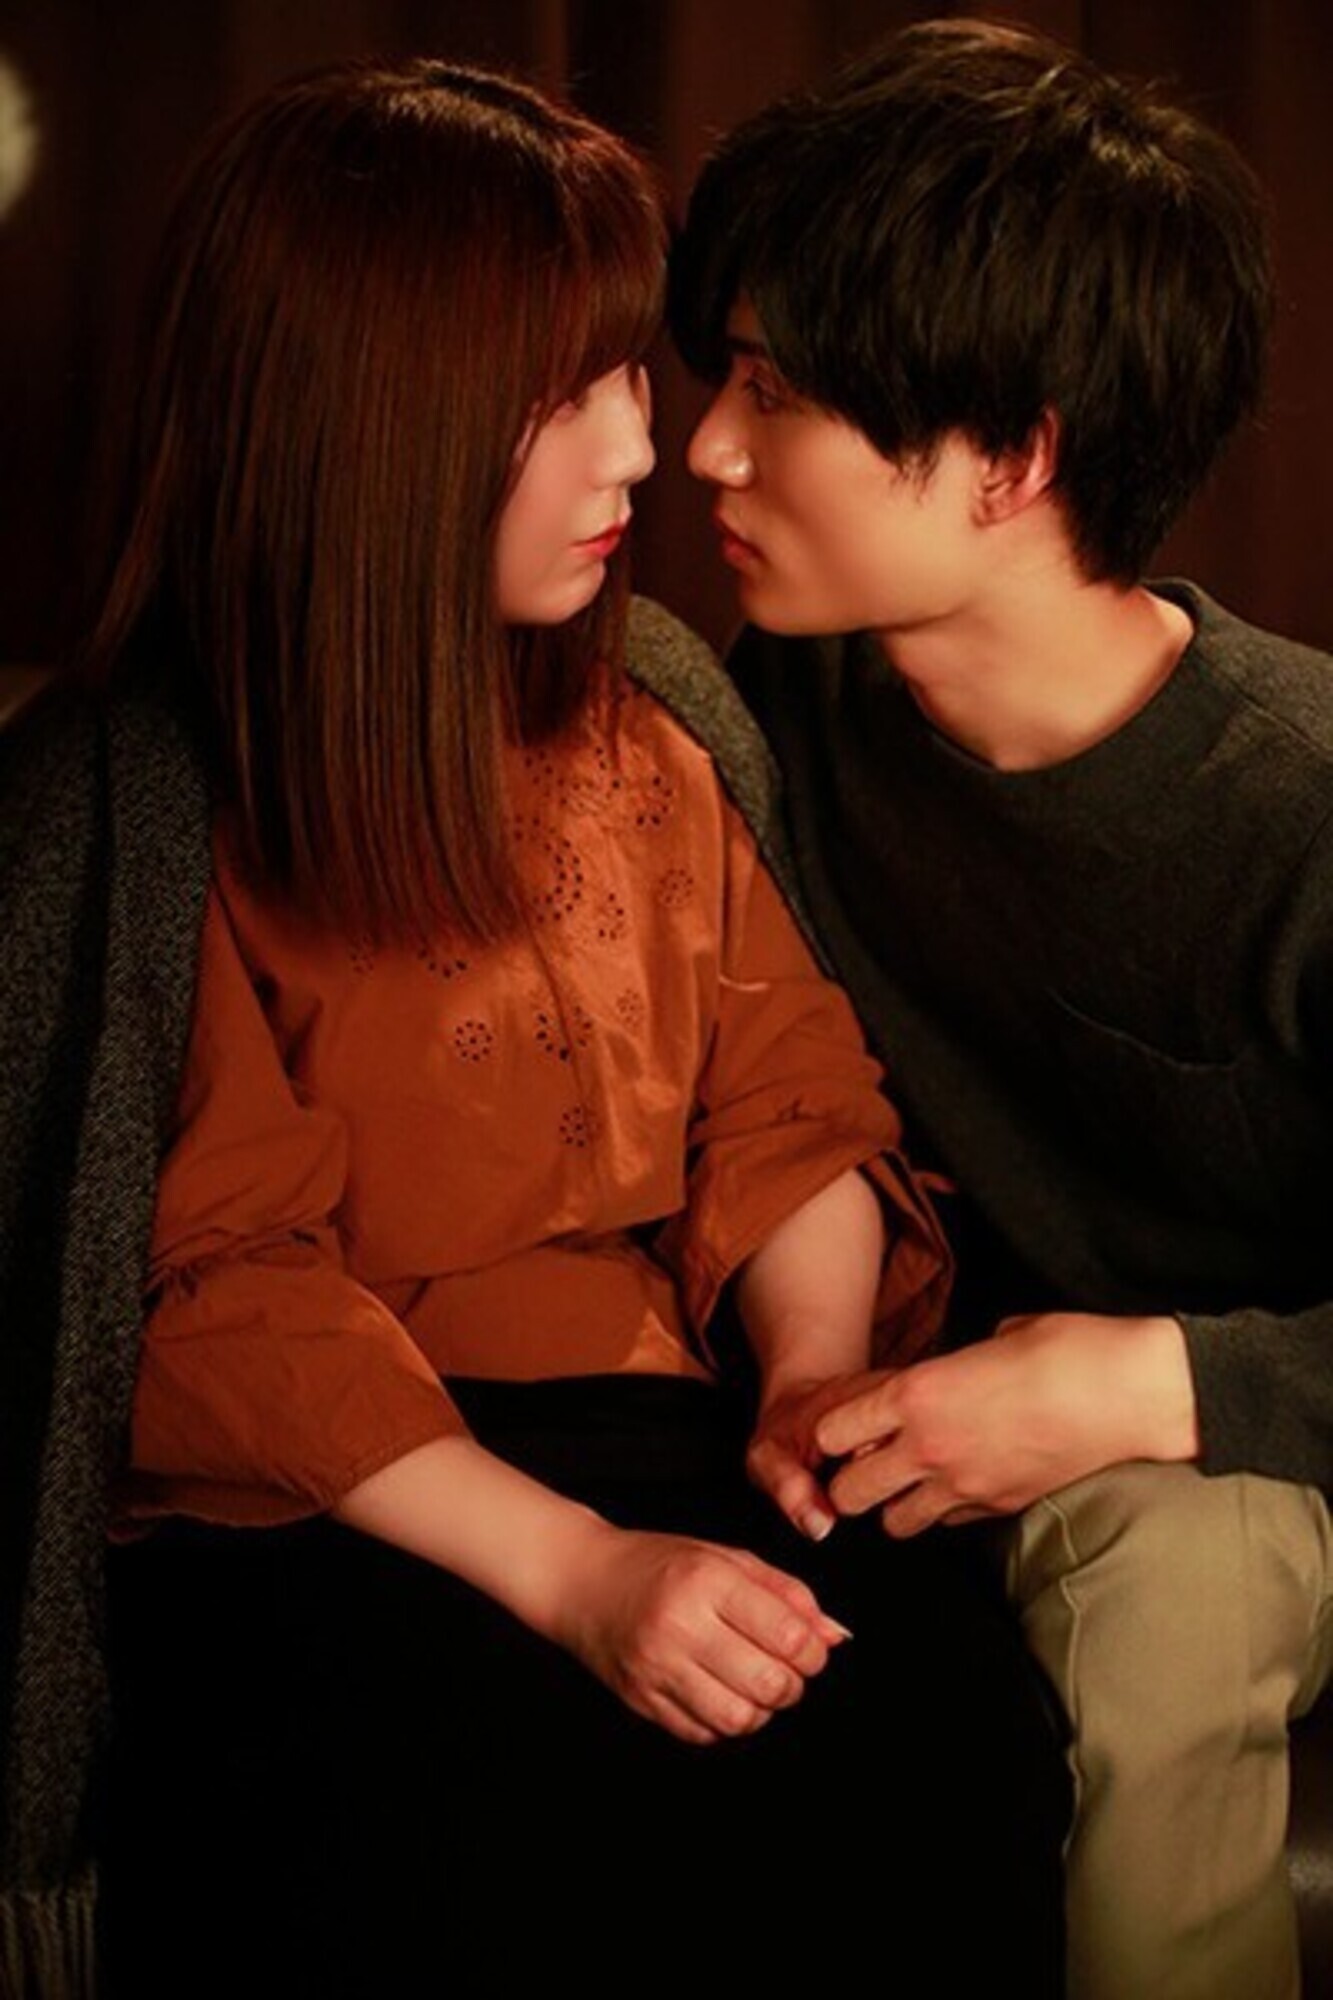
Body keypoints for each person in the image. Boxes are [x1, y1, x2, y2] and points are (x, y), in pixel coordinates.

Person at [0, 55, 1068, 2000]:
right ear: (376, 417)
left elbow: (783, 1091)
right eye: (560, 396)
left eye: (625, 378)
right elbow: (212, 1287)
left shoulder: (651, 705)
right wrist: (575, 1573)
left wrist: (809, 1380)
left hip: (683, 1417)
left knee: (944, 1738)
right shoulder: (139, 795)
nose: (641, 452)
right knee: (498, 1838)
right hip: (345, 1506)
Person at [671, 17, 1333, 1999]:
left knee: (1169, 1571)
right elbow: (777, 1081)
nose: (707, 447)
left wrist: (1143, 1390)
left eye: (776, 391)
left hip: (1238, 1463)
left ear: (1012, 461)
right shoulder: (778, 708)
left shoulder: (1303, 810)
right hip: (921, 1432)